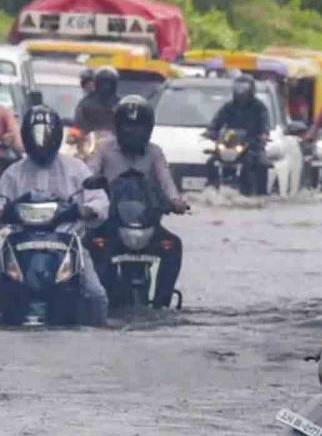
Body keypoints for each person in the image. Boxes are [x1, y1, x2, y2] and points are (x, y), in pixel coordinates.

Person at [0, 106, 109, 325]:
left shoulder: (76, 169)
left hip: (67, 243)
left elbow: (99, 200)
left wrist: (85, 209)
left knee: (96, 295)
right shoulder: (13, 173)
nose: (41, 142)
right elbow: (2, 199)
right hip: (19, 244)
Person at [88, 95, 189, 308]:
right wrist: (89, 191)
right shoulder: (103, 149)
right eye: (127, 127)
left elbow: (166, 181)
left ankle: (162, 302)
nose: (133, 132)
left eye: (139, 128)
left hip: (146, 223)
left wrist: (175, 202)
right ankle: (102, 299)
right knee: (93, 246)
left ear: (149, 129)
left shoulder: (154, 152)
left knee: (173, 246)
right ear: (118, 127)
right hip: (111, 224)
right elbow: (88, 175)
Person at [206, 74, 271, 195]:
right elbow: (217, 120)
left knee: (262, 164)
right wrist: (210, 130)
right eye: (238, 87)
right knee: (211, 162)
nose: (240, 91)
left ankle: (261, 193)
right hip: (229, 143)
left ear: (251, 89)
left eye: (244, 88)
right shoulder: (229, 107)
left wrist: (264, 134)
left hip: (252, 144)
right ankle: (211, 188)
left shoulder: (259, 107)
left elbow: (264, 123)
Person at [73, 66, 120, 137]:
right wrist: (74, 136)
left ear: (114, 84)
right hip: (90, 143)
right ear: (97, 83)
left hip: (115, 144)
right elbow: (78, 123)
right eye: (103, 82)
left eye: (109, 82)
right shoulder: (86, 103)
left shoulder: (121, 104)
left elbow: (127, 125)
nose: (105, 86)